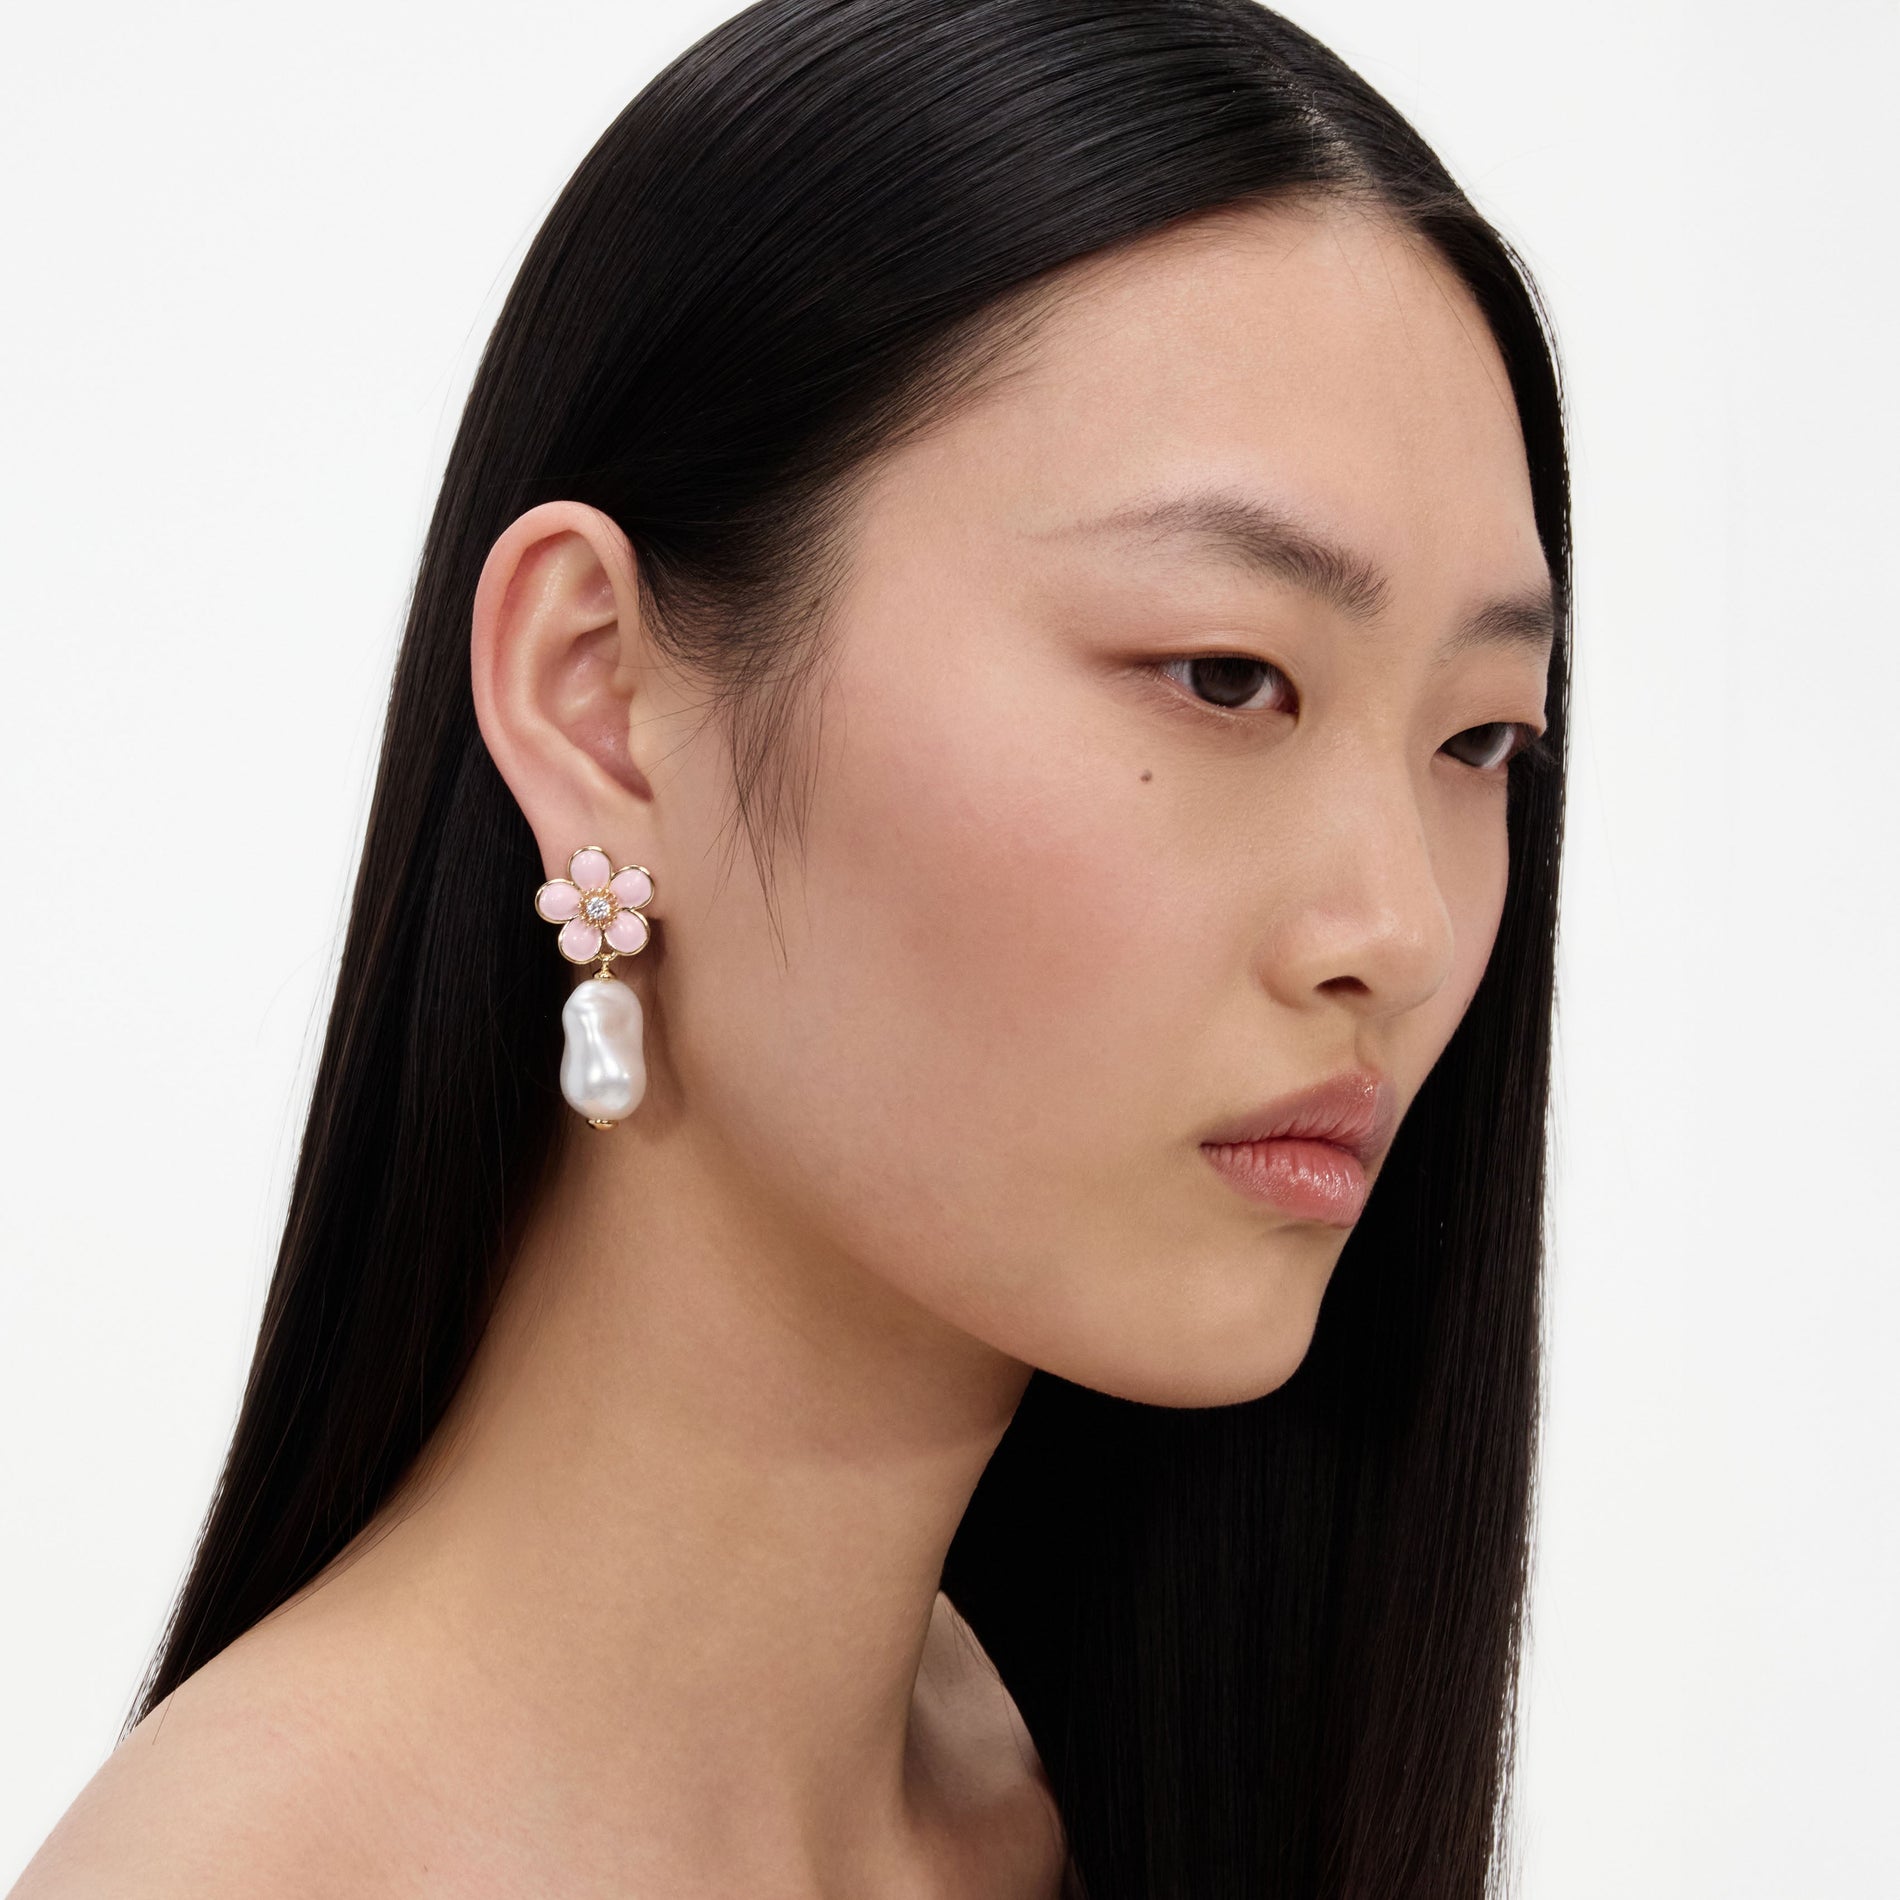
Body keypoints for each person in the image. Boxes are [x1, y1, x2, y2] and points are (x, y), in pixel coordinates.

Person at [10, 1, 1569, 1894]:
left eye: (1481, 737)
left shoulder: (1067, 1775)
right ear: (599, 704)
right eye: (1225, 673)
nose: (1396, 931)